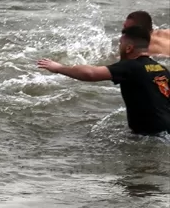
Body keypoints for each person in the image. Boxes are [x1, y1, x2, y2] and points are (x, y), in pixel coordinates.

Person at [38, 25, 170, 136]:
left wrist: (59, 68)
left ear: (129, 48)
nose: (119, 47)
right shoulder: (162, 69)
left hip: (151, 134)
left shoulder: (130, 66)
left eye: (121, 44)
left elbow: (90, 73)